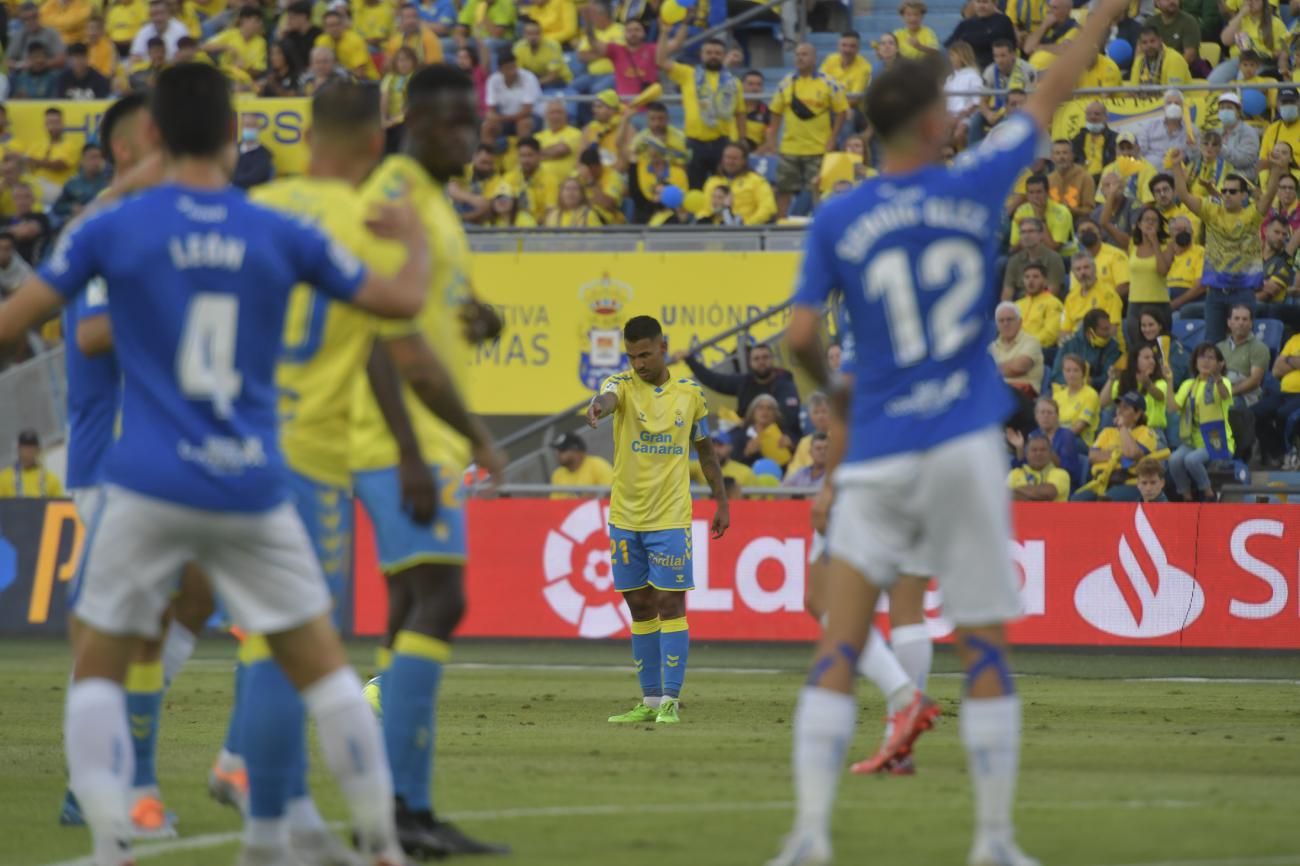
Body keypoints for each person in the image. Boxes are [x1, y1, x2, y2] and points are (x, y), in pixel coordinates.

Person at [0, 62, 435, 866]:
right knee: (324, 667)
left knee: (98, 658)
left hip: (146, 481)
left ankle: (111, 841)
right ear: (237, 140)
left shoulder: (112, 230)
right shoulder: (278, 227)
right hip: (250, 480)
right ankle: (380, 843)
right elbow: (400, 303)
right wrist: (411, 245)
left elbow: (16, 324)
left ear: (154, 137)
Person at [769, 3, 1127, 862]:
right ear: (933, 122)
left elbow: (799, 337)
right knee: (986, 646)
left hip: (882, 444)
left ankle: (810, 837)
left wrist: (838, 403)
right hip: (966, 443)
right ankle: (995, 842)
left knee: (838, 639)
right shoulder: (973, 183)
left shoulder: (838, 217)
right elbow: (1051, 89)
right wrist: (1105, 11)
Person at [346, 63, 511, 859]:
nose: (467, 136)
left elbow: (423, 312)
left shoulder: (434, 205)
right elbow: (382, 337)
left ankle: (400, 812)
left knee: (413, 609)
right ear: (409, 120)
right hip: (404, 441)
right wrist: (428, 447)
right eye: (450, 122)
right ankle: (398, 808)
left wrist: (473, 317)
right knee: (442, 602)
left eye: (472, 122)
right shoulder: (398, 199)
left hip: (412, 440)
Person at [586, 315, 729, 726]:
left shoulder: (690, 395)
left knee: (670, 602)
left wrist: (721, 502)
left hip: (670, 517)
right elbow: (607, 398)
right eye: (631, 356)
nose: (638, 363)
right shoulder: (621, 386)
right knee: (639, 605)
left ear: (663, 347)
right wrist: (599, 406)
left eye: (645, 354)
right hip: (624, 518)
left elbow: (705, 453)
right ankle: (648, 701)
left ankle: (671, 699)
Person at [1169, 144, 1287, 344]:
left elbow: (1268, 195)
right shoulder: (1211, 211)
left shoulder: (1252, 215)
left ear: (1243, 195)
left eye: (1233, 191)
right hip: (1215, 292)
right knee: (1212, 344)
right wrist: (1175, 166)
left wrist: (1275, 169)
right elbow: (1184, 196)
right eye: (1224, 191)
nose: (1227, 195)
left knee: (1243, 343)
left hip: (1243, 292)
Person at [767, 42, 847, 218]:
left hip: (818, 148)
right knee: (783, 189)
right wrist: (772, 140)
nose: (799, 58)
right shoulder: (786, 83)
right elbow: (775, 111)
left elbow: (842, 112)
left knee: (819, 190)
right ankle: (781, 225)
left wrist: (833, 138)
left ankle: (819, 223)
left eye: (804, 54)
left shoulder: (829, 83)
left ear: (814, 58)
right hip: (789, 148)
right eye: (797, 54)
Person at [657, 27, 744, 189]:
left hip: (722, 144)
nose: (713, 56)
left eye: (718, 53)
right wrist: (663, 32)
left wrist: (742, 142)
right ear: (701, 55)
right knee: (694, 188)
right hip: (694, 144)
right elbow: (661, 61)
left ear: (724, 56)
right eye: (709, 52)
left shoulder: (733, 82)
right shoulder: (688, 74)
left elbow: (740, 114)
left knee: (723, 189)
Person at [678, 340, 801, 436]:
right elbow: (714, 380)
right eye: (756, 359)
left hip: (779, 436)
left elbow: (789, 418)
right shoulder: (745, 381)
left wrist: (757, 428)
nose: (761, 362)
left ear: (772, 359)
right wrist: (690, 360)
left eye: (765, 357)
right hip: (747, 436)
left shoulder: (785, 384)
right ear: (750, 363)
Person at [1171, 343, 1235, 499]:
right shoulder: (1188, 384)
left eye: (1211, 357)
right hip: (1192, 441)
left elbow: (1225, 396)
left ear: (1220, 363)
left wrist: (1218, 379)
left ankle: (1209, 494)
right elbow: (1173, 407)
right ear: (1195, 361)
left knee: (1191, 460)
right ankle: (1187, 497)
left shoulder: (1223, 382)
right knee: (1174, 460)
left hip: (1217, 440)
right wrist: (1169, 380)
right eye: (1202, 356)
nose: (1205, 361)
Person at [1071, 392, 1160, 501]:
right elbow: (1092, 456)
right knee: (1076, 500)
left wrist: (1122, 427)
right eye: (1119, 406)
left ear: (1137, 414)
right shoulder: (1107, 432)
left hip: (1128, 482)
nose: (1119, 411)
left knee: (1106, 502)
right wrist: (1117, 455)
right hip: (1101, 481)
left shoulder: (1146, 433)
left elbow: (1131, 453)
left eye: (1125, 408)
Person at [1101, 343, 1175, 447]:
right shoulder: (1122, 382)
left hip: (1152, 432)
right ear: (1135, 361)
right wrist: (1111, 379)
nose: (1152, 361)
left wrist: (1148, 384)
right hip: (1125, 431)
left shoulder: (1159, 383)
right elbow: (1102, 403)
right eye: (1146, 358)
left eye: (1153, 358)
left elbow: (1160, 396)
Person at [1126, 204, 1175, 351]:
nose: (1150, 223)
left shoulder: (1168, 245)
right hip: (1135, 304)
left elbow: (1162, 270)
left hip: (1159, 304)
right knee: (1138, 348)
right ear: (1139, 224)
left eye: (1154, 220)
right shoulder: (1132, 245)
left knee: (1160, 349)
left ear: (1160, 226)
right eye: (1146, 220)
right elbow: (1104, 223)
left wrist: (1154, 242)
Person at [967, 38, 1034, 145]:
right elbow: (982, 101)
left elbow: (1032, 100)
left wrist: (1012, 111)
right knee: (976, 120)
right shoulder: (990, 71)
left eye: (1003, 55)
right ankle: (973, 155)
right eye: (996, 56)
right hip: (998, 110)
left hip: (1018, 109)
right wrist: (988, 114)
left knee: (1004, 124)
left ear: (1013, 54)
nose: (999, 60)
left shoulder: (1027, 70)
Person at [1008, 397, 1084, 488]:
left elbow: (1070, 471)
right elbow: (1023, 466)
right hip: (1035, 482)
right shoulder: (1033, 435)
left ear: (1057, 416)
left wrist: (1048, 451)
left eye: (1050, 412)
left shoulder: (1066, 435)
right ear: (1036, 416)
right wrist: (1019, 448)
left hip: (1060, 484)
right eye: (1042, 412)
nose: (1046, 416)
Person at [990, 301, 1043, 433]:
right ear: (996, 325)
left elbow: (1019, 367)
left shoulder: (1031, 342)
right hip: (999, 398)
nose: (1005, 324)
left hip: (1025, 401)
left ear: (1020, 322)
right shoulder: (991, 348)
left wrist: (993, 370)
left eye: (1010, 319)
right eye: (1001, 321)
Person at [700, 141, 777, 225]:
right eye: (727, 157)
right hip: (715, 232)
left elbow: (768, 208)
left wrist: (747, 226)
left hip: (746, 231)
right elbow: (705, 209)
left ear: (744, 161)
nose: (730, 162)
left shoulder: (756, 181)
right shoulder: (712, 181)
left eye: (734, 158)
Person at [1061, 253, 1123, 344]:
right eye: (1078, 269)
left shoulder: (1108, 294)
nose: (1083, 272)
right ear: (1073, 273)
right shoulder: (1071, 297)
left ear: (1094, 269)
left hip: (1104, 347)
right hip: (1077, 346)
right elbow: (1064, 331)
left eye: (1086, 267)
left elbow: (1112, 329)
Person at [1052, 308, 1121, 391]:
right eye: (1104, 329)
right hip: (1065, 390)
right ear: (1090, 332)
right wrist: (1075, 382)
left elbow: (1109, 376)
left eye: (1108, 328)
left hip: (1096, 392)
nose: (1108, 333)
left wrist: (1092, 382)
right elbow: (1056, 374)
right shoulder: (1069, 343)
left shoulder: (1113, 346)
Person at [482, 48, 540, 144]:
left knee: (523, 124)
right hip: (504, 118)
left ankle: (524, 156)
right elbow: (490, 109)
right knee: (488, 126)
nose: (513, 71)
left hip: (531, 117)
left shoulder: (529, 78)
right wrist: (492, 117)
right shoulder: (493, 80)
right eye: (508, 68)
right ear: (500, 70)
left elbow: (527, 110)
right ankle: (486, 156)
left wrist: (501, 118)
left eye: (514, 67)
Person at [1217, 303, 1269, 408]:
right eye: (1236, 319)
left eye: (1245, 319)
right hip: (1219, 390)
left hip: (1244, 396)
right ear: (1229, 322)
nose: (1241, 323)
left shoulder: (1259, 348)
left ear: (1250, 324)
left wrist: (1229, 392)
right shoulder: (1219, 347)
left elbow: (1255, 380)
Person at [943, 0, 1016, 70]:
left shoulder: (1003, 22)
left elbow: (1012, 46)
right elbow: (949, 44)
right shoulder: (966, 24)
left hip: (996, 68)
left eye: (985, 2)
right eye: (978, 2)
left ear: (994, 3)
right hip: (970, 68)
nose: (981, 6)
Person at [52, 143, 108, 225]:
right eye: (93, 157)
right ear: (82, 161)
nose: (97, 161)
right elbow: (58, 207)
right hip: (78, 223)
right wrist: (71, 208)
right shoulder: (72, 183)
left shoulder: (109, 182)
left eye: (99, 157)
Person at [1052, 352, 1102, 444]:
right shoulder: (1058, 395)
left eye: (1076, 370)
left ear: (1083, 373)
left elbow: (1080, 426)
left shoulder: (1090, 394)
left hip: (1079, 440)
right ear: (1063, 372)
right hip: (1058, 436)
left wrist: (1059, 439)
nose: (1071, 374)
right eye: (1068, 370)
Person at [0, 428, 63, 497]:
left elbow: (60, 506)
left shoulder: (50, 479)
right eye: (25, 447)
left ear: (38, 449)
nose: (29, 450)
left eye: (32, 447)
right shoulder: (4, 478)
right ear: (18, 449)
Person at [1015, 263, 1064, 351]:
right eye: (1027, 277)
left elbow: (1050, 335)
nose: (1030, 281)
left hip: (1039, 351)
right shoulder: (1017, 305)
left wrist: (1026, 345)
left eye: (1035, 277)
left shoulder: (1053, 303)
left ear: (1045, 281)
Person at [1007, 433, 1069, 501]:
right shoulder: (1015, 473)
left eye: (1043, 450)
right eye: (1034, 450)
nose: (1038, 453)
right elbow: (1003, 497)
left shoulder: (1060, 473)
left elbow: (1047, 494)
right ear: (1026, 454)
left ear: (1050, 454)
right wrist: (1034, 494)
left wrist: (1015, 490)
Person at [549, 431, 613, 497]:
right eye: (556, 450)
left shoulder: (597, 465)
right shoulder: (557, 475)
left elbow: (612, 492)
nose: (557, 454)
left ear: (576, 450)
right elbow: (554, 503)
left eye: (562, 450)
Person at [1047, 138, 1094, 222]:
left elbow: (1090, 210)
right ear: (1052, 157)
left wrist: (1071, 210)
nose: (1061, 157)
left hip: (1077, 222)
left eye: (1065, 153)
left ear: (1072, 156)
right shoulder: (1048, 179)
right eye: (1057, 153)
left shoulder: (1085, 177)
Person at [1072, 101, 1116, 185]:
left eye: (1097, 114)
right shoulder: (1077, 139)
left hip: (1104, 182)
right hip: (1080, 182)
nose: (1092, 117)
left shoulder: (1114, 139)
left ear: (1106, 117)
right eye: (1089, 114)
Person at [231, 114, 273, 190]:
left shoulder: (264, 154)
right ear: (241, 128)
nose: (249, 129)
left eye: (252, 126)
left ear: (258, 128)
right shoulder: (232, 149)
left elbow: (253, 178)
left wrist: (230, 181)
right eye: (247, 125)